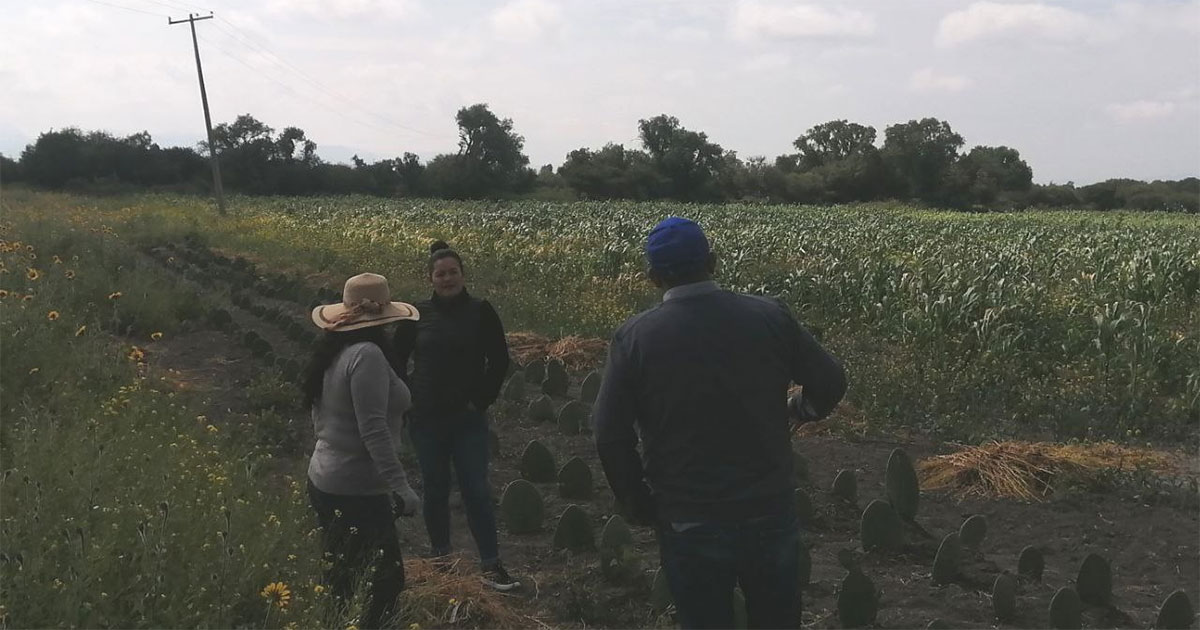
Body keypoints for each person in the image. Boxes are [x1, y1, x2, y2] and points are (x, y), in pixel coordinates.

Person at [593, 217, 847, 629]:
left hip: (687, 514)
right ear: (712, 261)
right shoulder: (769, 315)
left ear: (652, 276)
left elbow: (609, 434)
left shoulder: (635, 337)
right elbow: (831, 381)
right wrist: (799, 409)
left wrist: (638, 501)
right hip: (768, 507)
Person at [392, 240, 519, 591]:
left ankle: (491, 565)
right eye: (440, 274)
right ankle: (441, 561)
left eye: (453, 272)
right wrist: (408, 398)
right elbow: (395, 360)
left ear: (463, 275)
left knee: (476, 490)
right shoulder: (415, 315)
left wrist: (480, 401)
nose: (447, 279)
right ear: (430, 279)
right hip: (426, 419)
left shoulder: (482, 311)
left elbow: (499, 360)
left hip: (467, 420)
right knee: (435, 489)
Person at [304, 272, 423, 629]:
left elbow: (317, 414)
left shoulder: (334, 352)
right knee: (384, 584)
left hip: (324, 477)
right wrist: (400, 487)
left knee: (343, 579)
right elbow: (372, 428)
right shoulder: (367, 355)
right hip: (356, 488)